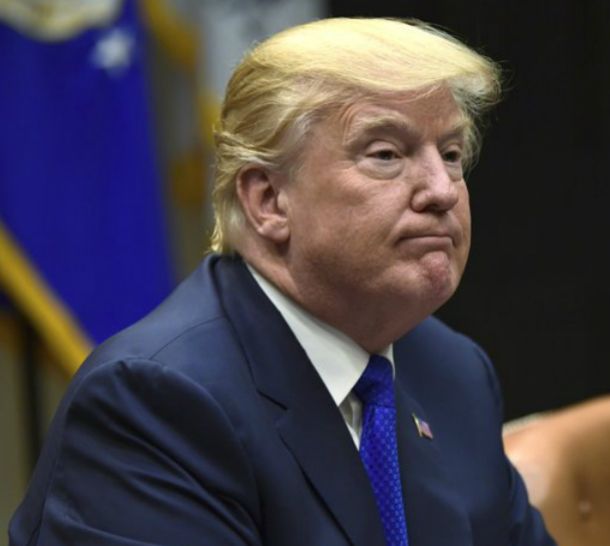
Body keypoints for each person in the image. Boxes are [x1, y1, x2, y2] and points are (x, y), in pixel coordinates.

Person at [9, 17, 555, 546]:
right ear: (269, 200)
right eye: (386, 155)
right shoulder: (154, 404)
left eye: (452, 154)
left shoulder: (453, 372)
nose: (442, 189)